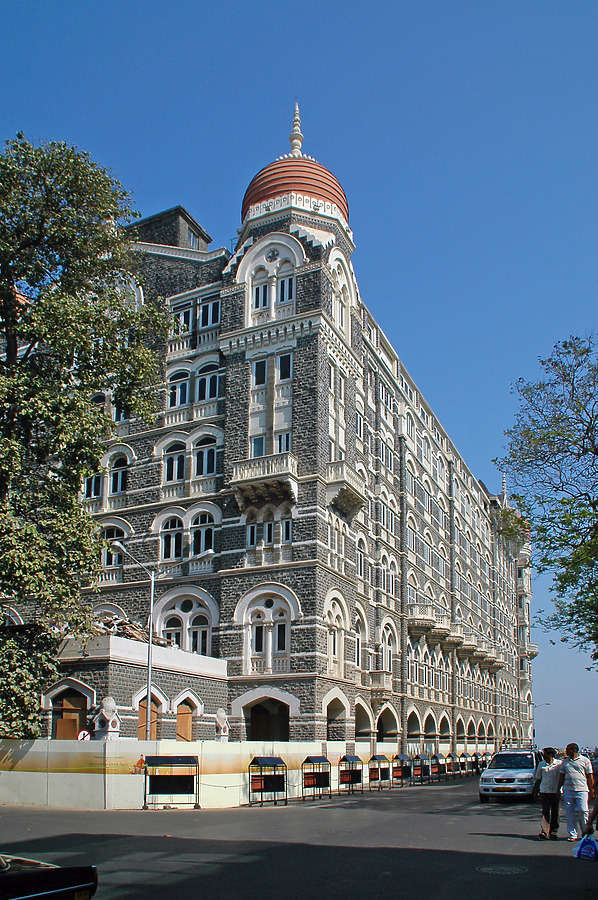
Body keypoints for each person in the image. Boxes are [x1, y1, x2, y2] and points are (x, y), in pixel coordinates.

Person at [557, 742, 595, 841]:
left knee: (583, 810)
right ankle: (572, 834)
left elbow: (589, 776)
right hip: (568, 790)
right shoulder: (565, 762)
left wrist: (592, 790)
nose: (566, 751)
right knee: (570, 812)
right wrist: (558, 788)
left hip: (582, 789)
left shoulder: (585, 760)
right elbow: (562, 776)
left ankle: (585, 832)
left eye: (568, 749)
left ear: (574, 750)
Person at [534, 747, 561, 840]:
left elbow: (562, 778)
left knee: (555, 812)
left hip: (555, 791)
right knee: (545, 811)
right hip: (544, 791)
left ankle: (553, 831)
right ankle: (545, 831)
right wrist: (535, 791)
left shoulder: (559, 764)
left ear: (550, 755)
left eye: (545, 754)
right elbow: (538, 778)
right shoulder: (541, 765)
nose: (543, 756)